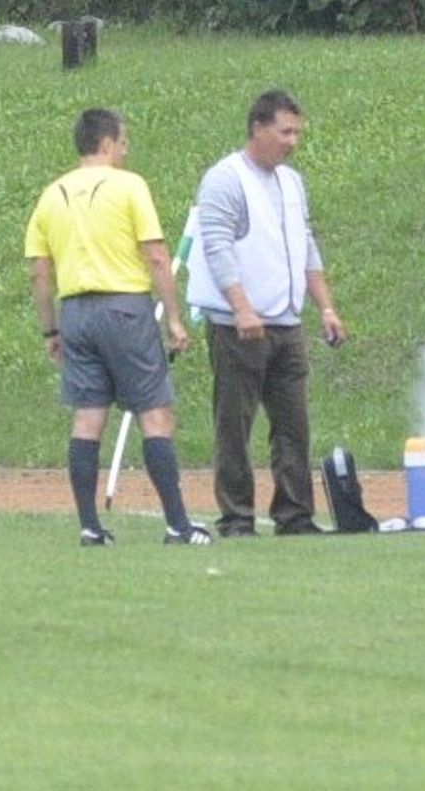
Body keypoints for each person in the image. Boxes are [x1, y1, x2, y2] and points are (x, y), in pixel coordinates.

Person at [25, 107, 212, 547]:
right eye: (123, 142)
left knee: (88, 417)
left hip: (75, 313)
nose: (126, 151)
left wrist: (50, 331)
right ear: (107, 144)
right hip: (125, 308)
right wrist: (175, 319)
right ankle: (178, 526)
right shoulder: (129, 187)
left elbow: (39, 271)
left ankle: (90, 527)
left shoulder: (52, 195)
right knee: (154, 413)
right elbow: (157, 255)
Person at [189, 89, 347, 537]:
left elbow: (306, 245)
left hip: (287, 323)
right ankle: (236, 516)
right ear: (258, 129)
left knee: (294, 425)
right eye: (285, 131)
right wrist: (242, 309)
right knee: (234, 425)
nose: (293, 141)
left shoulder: (291, 182)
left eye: (297, 132)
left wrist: (326, 308)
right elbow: (217, 246)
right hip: (239, 326)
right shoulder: (226, 179)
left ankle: (294, 513)